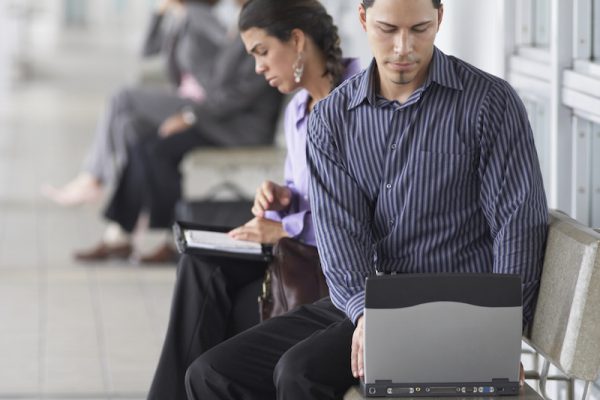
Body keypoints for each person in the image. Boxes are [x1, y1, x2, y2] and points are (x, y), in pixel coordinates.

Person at [184, 0, 549, 399]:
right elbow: (340, 236)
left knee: (299, 372)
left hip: (455, 309)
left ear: (440, 19)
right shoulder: (332, 119)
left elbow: (519, 224)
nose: (403, 47)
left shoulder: (489, 103)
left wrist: (499, 333)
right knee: (211, 374)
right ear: (362, 19)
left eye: (420, 29)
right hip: (369, 300)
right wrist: (363, 311)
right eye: (388, 29)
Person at [146, 0, 360, 397]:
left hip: (331, 267)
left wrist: (282, 228)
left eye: (262, 52)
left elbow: (359, 211)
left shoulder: (360, 98)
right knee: (199, 261)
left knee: (212, 300)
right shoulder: (297, 107)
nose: (259, 67)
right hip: (299, 249)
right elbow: (306, 194)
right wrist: (282, 197)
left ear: (296, 41)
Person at [70, 0, 284, 263]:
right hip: (221, 119)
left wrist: (191, 115)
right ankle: (124, 236)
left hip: (238, 128)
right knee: (142, 143)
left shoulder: (262, 24)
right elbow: (220, 82)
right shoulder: (242, 21)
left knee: (158, 149)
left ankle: (165, 238)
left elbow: (239, 91)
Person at [42, 0, 226, 206]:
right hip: (184, 97)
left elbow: (229, 46)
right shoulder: (180, 18)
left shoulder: (197, 14)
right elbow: (147, 51)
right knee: (126, 123)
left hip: (199, 105)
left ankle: (93, 178)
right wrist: (158, 14)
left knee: (122, 97)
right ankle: (122, 203)